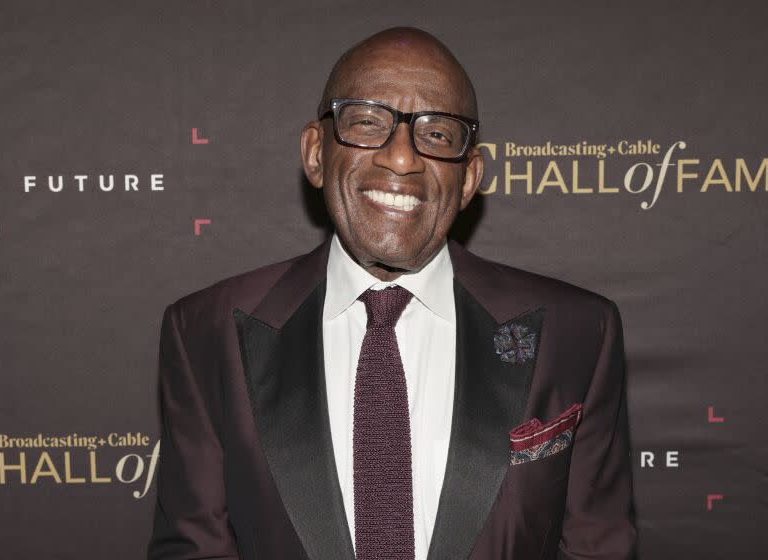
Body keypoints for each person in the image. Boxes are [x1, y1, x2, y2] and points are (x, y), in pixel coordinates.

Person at [147, 26, 636, 560]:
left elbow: (598, 547)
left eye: (438, 134)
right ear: (316, 153)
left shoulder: (578, 332)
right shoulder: (207, 332)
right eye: (367, 122)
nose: (401, 158)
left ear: (469, 178)